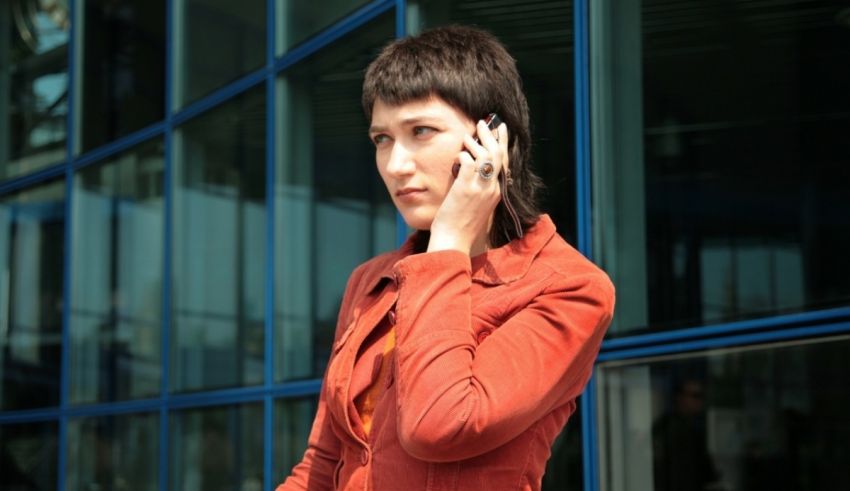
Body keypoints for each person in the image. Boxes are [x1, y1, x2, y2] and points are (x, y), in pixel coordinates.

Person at [278, 25, 615, 490]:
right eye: (382, 139)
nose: (396, 164)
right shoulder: (373, 281)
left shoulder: (569, 287)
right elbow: (322, 463)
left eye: (421, 131)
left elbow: (440, 424)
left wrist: (451, 240)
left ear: (493, 141)